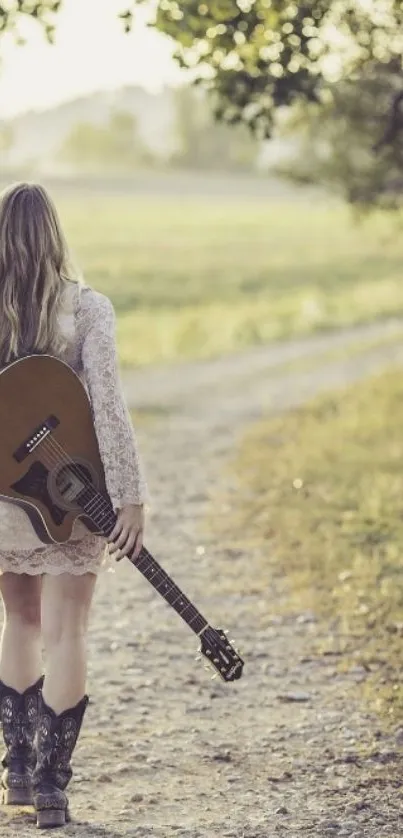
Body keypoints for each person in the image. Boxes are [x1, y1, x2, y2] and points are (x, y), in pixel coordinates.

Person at [0, 182, 148, 828]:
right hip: (71, 499)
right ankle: (53, 789)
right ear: (56, 237)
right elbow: (109, 411)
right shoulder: (89, 310)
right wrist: (129, 497)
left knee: (21, 623)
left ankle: (18, 777)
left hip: (6, 500)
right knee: (67, 632)